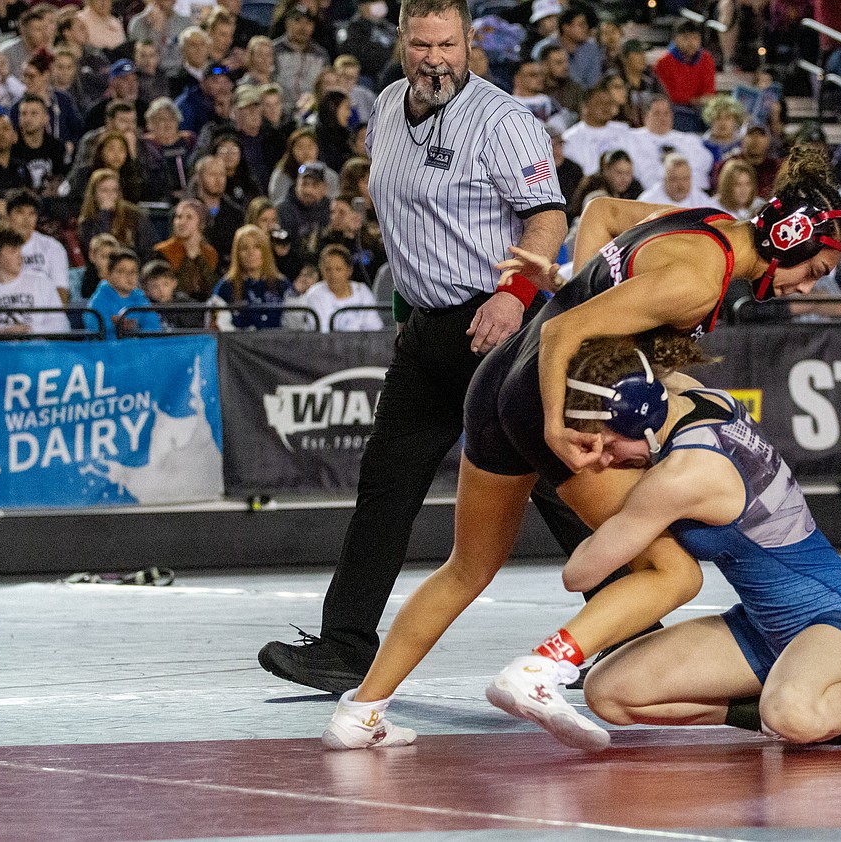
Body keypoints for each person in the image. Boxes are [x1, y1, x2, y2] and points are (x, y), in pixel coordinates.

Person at [318, 146, 841, 750]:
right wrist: (550, 422)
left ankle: (359, 713)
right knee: (672, 573)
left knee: (468, 567)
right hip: (547, 394)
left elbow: (601, 210)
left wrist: (577, 282)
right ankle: (543, 670)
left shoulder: (702, 222)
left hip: (497, 378)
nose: (808, 285)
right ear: (789, 241)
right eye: (815, 270)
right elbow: (563, 330)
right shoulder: (699, 283)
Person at [258, 0, 590, 696]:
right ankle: (345, 647)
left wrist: (513, 295)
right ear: (401, 43)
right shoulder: (384, 107)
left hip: (497, 327)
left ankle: (635, 630)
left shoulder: (503, 122)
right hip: (428, 334)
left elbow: (549, 216)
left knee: (559, 487)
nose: (435, 58)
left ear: (469, 42)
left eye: (448, 44)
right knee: (384, 487)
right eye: (421, 44)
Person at [544, 336, 841, 751]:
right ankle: (789, 711)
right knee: (609, 693)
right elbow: (630, 359)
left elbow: (578, 574)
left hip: (839, 616)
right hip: (760, 627)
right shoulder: (700, 399)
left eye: (606, 443)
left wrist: (575, 477)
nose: (604, 456)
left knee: (791, 711)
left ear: (637, 421)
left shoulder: (679, 479)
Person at [0, 222, 69, 335]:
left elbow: (62, 325)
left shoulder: (41, 282)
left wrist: (29, 330)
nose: (20, 255)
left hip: (35, 350)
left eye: (20, 249)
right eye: (12, 251)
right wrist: (0, 333)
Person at [209, 223, 290, 330]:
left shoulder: (282, 284)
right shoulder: (225, 288)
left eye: (257, 247)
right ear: (237, 254)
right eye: (244, 248)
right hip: (237, 344)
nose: (250, 253)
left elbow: (294, 324)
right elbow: (220, 328)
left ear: (265, 251)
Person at [7, 189, 69, 305]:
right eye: (20, 212)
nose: (26, 219)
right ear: (9, 216)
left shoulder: (53, 247)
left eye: (31, 213)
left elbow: (61, 291)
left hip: (45, 311)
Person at [304, 243, 383, 332]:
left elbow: (374, 328)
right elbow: (322, 332)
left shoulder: (362, 291)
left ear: (349, 270)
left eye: (338, 269)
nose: (333, 275)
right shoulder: (315, 294)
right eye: (328, 269)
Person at [86, 247, 163, 337]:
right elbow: (100, 337)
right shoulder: (97, 302)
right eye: (122, 271)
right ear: (109, 274)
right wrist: (119, 329)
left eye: (133, 271)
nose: (129, 276)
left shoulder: (141, 298)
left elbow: (153, 329)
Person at [153, 198, 220, 301]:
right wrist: (190, 256)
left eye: (189, 217)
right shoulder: (161, 252)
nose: (182, 222)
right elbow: (176, 290)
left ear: (201, 223)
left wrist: (199, 258)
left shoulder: (210, 253)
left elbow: (213, 290)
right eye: (178, 217)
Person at [636, 152, 710, 209]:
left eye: (685, 178)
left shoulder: (702, 201)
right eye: (675, 179)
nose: (681, 184)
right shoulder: (647, 202)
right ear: (665, 180)